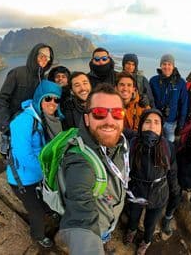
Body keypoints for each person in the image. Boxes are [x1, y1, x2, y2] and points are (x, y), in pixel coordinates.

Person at [56, 83, 128, 255]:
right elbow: (80, 208)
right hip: (97, 225)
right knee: (101, 236)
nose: (110, 121)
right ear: (87, 119)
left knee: (105, 235)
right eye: (99, 113)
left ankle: (105, 238)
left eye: (117, 113)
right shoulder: (80, 160)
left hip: (109, 216)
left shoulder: (121, 143)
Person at [7, 80, 62, 248]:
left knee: (45, 198)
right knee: (35, 211)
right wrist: (47, 172)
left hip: (36, 174)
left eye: (56, 99)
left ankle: (50, 212)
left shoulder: (42, 118)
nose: (52, 103)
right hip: (22, 178)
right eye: (48, 98)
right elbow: (23, 155)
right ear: (39, 98)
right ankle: (38, 236)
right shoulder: (24, 121)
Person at [123, 109, 181, 254]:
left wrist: (175, 191)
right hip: (136, 191)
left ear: (161, 127)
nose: (152, 126)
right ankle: (132, 231)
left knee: (150, 223)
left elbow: (172, 172)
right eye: (147, 121)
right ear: (141, 125)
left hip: (159, 194)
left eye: (157, 122)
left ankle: (146, 241)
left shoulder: (168, 147)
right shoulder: (132, 144)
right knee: (133, 216)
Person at [0, 43, 54, 132]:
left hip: (34, 127)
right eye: (42, 56)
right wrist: (6, 125)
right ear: (34, 55)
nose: (45, 59)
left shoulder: (44, 79)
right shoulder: (17, 73)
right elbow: (2, 99)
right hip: (14, 125)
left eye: (48, 57)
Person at [149, 54, 188, 142]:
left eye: (169, 64)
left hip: (172, 122)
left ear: (173, 66)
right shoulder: (153, 81)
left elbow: (184, 103)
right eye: (164, 64)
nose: (166, 67)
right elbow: (150, 100)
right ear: (161, 65)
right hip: (156, 120)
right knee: (154, 143)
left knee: (169, 146)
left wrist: (181, 124)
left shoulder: (180, 82)